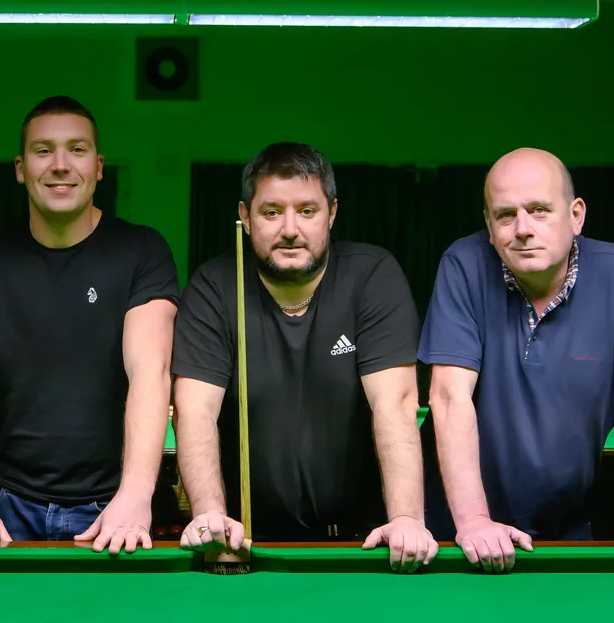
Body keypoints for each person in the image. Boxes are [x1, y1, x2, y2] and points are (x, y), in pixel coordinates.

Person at [419, 147, 614, 572]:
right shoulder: (463, 265)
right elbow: (448, 397)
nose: (522, 229)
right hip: (457, 535)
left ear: (576, 215)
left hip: (564, 532)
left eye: (539, 211)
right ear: (488, 223)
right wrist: (476, 521)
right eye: (505, 215)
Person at [171, 142, 439, 573]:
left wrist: (406, 518)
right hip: (244, 546)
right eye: (272, 212)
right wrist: (210, 517)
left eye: (307, 211)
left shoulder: (372, 276)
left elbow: (396, 405)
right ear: (245, 216)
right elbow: (194, 410)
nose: (290, 229)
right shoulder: (215, 287)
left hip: (363, 542)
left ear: (332, 213)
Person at [0, 96, 179, 555]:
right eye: (44, 150)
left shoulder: (142, 250)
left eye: (77, 149)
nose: (61, 164)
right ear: (21, 167)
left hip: (112, 509)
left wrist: (135, 494)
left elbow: (150, 372)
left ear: (99, 166)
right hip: (7, 508)